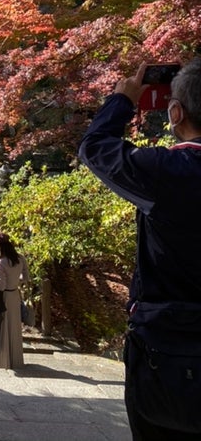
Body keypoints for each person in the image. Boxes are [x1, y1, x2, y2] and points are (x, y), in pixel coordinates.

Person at [79, 58, 201, 441]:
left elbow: (95, 148)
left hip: (167, 349)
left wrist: (123, 100)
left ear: (176, 111)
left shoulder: (170, 170)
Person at [0, 231, 29, 370]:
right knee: (14, 327)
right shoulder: (20, 259)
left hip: (4, 297)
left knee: (3, 327)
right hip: (15, 295)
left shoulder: (0, 262)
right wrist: (15, 280)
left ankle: (1, 361)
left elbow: (1, 285)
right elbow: (25, 278)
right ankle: (15, 360)